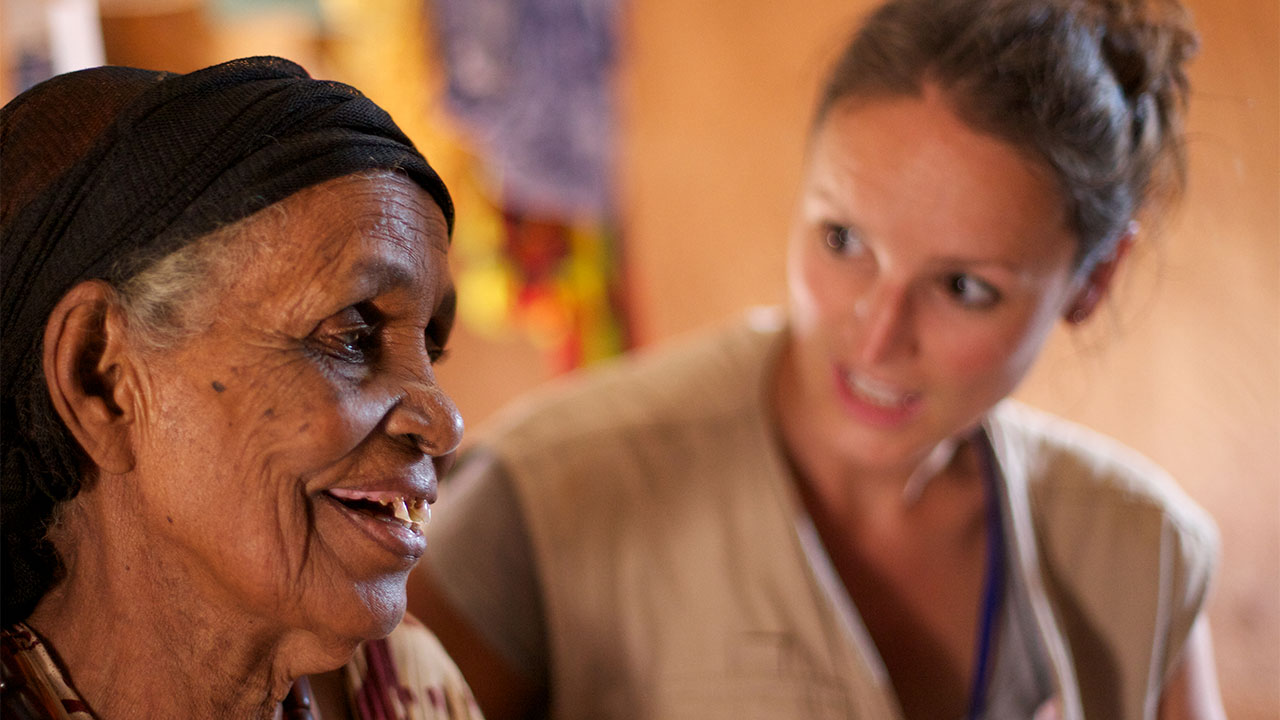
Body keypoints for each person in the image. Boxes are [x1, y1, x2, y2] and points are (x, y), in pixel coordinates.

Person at [409, 0, 1226, 718]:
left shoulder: (1141, 556)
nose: (876, 336)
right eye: (843, 241)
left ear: (1095, 280)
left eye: (964, 288)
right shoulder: (548, 497)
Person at [0, 56, 485, 719]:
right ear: (102, 380)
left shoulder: (409, 688)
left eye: (431, 345)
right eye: (350, 335)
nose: (444, 423)